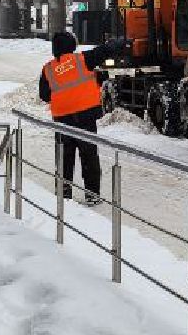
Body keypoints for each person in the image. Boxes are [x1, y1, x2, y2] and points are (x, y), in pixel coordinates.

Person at [37, 30, 129, 205]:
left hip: (62, 120)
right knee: (89, 156)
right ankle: (92, 195)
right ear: (72, 45)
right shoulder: (82, 59)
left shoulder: (48, 69)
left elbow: (44, 95)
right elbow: (103, 51)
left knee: (64, 157)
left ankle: (64, 193)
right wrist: (120, 43)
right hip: (85, 117)